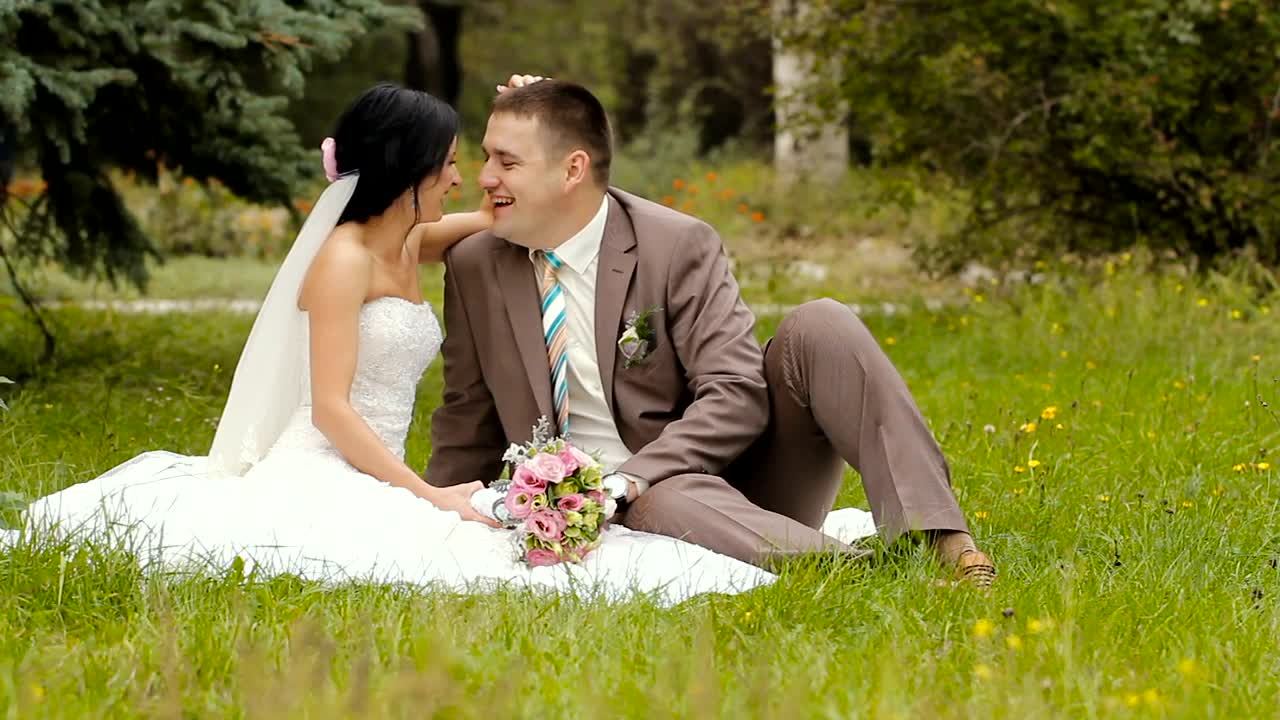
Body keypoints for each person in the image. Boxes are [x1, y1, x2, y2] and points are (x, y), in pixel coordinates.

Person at [5, 82, 847, 604]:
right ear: (410, 167)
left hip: (382, 458)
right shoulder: (339, 263)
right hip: (332, 458)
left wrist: (545, 131)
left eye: (475, 161)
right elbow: (332, 409)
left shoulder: (413, 240)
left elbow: (546, 212)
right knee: (441, 552)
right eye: (451, 162)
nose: (464, 176)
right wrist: (424, 491)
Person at [428, 76, 995, 586]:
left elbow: (736, 392)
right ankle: (861, 576)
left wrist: (632, 480)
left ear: (572, 169)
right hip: (620, 509)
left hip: (731, 482)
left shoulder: (675, 244)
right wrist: (435, 510)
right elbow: (467, 413)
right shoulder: (476, 264)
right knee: (662, 504)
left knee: (821, 323)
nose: (484, 177)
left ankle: (940, 540)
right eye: (485, 158)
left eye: (506, 161)